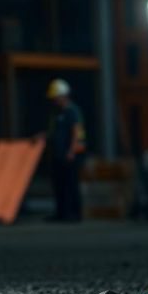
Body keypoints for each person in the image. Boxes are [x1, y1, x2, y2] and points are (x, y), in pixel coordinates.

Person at [41, 79, 86, 222]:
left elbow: (76, 132)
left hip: (70, 154)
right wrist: (42, 137)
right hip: (57, 154)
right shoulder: (56, 112)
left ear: (64, 95)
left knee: (71, 184)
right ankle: (61, 214)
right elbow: (53, 132)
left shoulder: (72, 111)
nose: (54, 100)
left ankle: (75, 214)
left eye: (56, 97)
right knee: (59, 184)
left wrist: (72, 151)